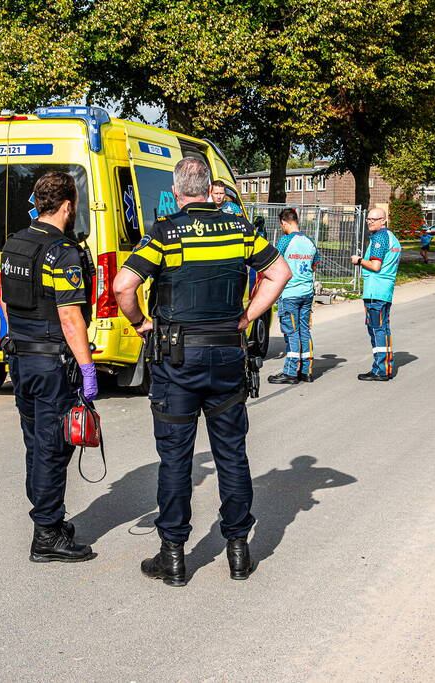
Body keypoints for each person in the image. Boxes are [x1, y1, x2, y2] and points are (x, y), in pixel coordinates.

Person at [112, 157, 291, 586]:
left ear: (177, 192)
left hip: (176, 360)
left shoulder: (164, 233)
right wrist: (246, 317)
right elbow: (279, 273)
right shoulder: (240, 228)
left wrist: (140, 324)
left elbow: (122, 286)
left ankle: (172, 556)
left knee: (175, 458)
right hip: (227, 355)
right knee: (232, 453)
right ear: (211, 187)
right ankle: (238, 551)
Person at [0, 170, 98, 564]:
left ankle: (49, 522)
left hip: (21, 360)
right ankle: (47, 534)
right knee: (53, 448)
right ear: (68, 205)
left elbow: (6, 300)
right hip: (52, 362)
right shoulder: (63, 251)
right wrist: (87, 369)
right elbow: (71, 317)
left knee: (35, 442)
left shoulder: (14, 244)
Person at [268, 207, 320, 384]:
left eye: (282, 225)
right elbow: (314, 265)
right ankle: (306, 370)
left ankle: (290, 371)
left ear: (284, 223)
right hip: (306, 293)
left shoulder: (284, 241)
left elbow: (275, 264)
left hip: (289, 293)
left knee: (291, 332)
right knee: (304, 330)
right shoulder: (310, 241)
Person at [351, 207, 401, 381]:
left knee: (376, 329)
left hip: (375, 291)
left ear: (384, 220)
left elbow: (375, 266)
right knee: (383, 329)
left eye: (374, 219)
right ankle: (385, 366)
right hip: (385, 290)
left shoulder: (379, 237)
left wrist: (358, 260)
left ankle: (380, 369)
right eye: (369, 219)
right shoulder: (392, 238)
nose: (370, 222)